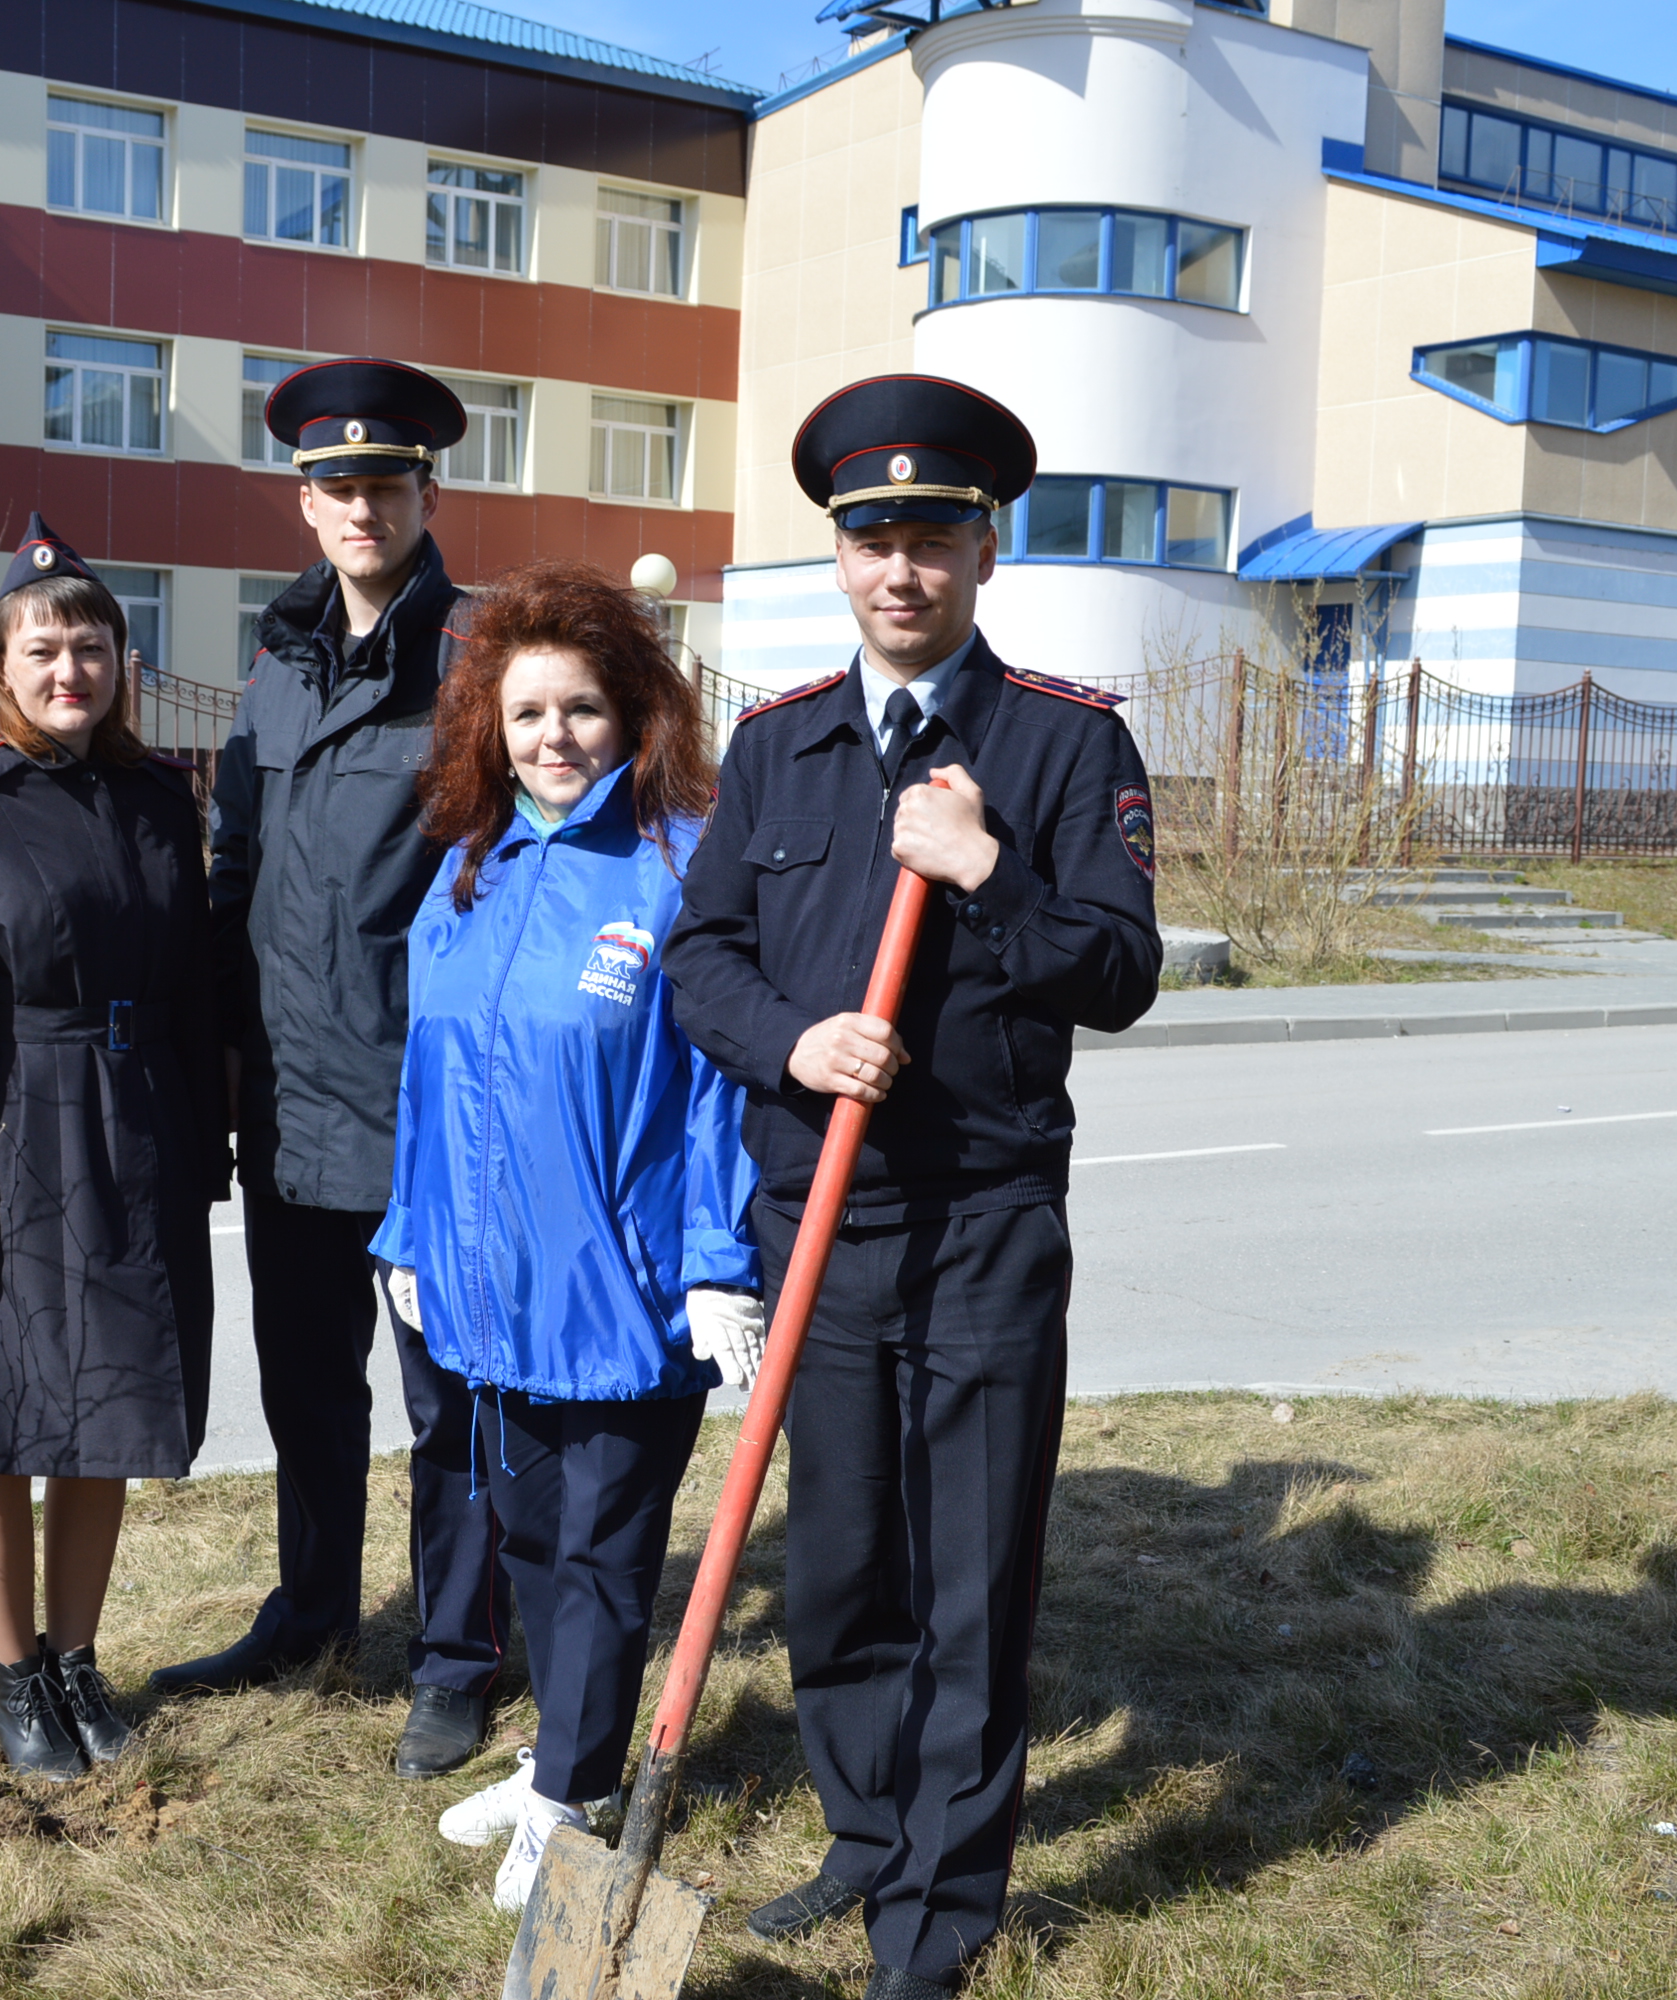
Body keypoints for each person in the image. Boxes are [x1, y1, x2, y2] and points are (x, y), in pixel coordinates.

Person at [661, 377, 1165, 1999]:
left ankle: (935, 1915)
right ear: (838, 555)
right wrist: (795, 1047)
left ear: (984, 547)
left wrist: (989, 875)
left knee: (967, 1576)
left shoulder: (1060, 744)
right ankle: (865, 1837)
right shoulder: (778, 748)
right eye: (871, 537)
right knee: (835, 1569)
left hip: (985, 1223)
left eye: (931, 536)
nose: (900, 568)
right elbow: (702, 960)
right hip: (820, 1219)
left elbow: (1119, 969)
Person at [364, 560, 765, 1914]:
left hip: (623, 1289)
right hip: (488, 1287)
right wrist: (410, 1232)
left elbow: (719, 1087)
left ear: (636, 712)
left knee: (599, 1552)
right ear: (492, 725)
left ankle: (576, 1795)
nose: (553, 739)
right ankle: (559, 1755)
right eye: (527, 713)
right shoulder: (470, 870)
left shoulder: (676, 866)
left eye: (582, 709)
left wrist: (719, 1261)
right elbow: (428, 1075)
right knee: (527, 1538)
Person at [156, 357, 513, 1783]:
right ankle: (311, 1612)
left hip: (428, 1111)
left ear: (428, 491)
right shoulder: (281, 659)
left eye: (385, 480)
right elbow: (239, 868)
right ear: (304, 504)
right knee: (308, 1389)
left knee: (451, 1406)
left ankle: (457, 1652)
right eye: (334, 484)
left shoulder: (484, 654)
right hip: (290, 1104)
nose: (360, 504)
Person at [0, 515, 227, 1781]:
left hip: (137, 1130)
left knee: (107, 1412)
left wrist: (203, 1145)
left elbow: (192, 986)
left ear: (119, 661)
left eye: (91, 643)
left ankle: (79, 1661)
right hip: (10, 1130)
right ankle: (14, 1672)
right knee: (1, 1416)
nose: (69, 666)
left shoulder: (151, 797)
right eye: (43, 645)